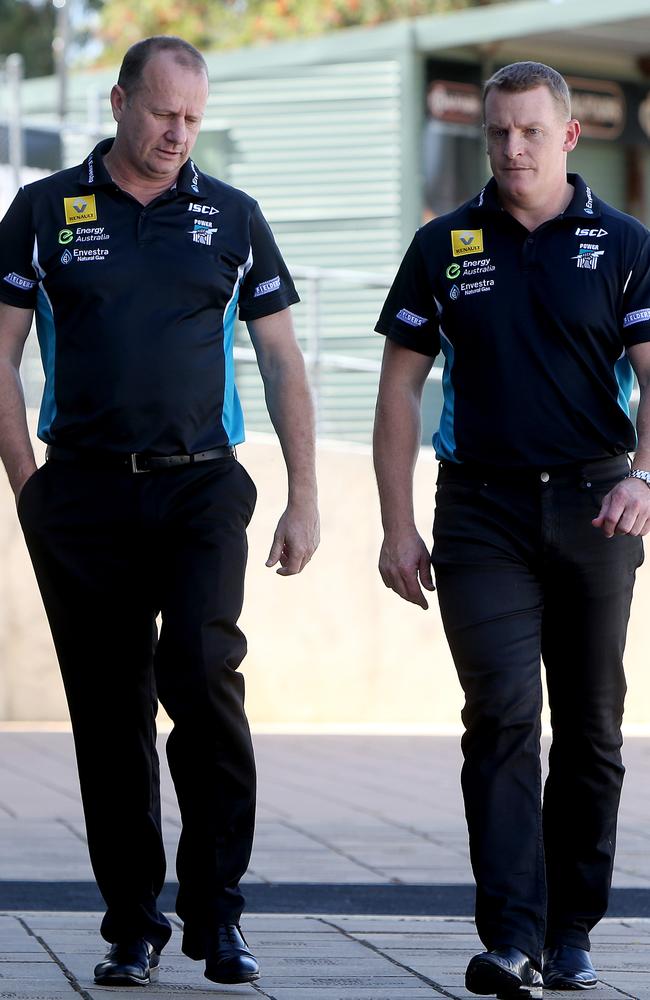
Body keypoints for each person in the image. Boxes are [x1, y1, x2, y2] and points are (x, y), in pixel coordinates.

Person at [0, 36, 319, 989]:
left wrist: (306, 496)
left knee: (203, 673)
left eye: (193, 117)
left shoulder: (232, 215)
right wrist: (30, 488)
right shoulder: (44, 212)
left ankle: (218, 915)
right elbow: (1, 352)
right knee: (109, 712)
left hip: (200, 485)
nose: (179, 133)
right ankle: (132, 923)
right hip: (83, 491)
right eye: (163, 112)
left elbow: (279, 360)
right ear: (119, 101)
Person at [373, 61, 650, 997]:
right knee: (499, 716)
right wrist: (397, 524)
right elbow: (401, 387)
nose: (511, 148)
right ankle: (510, 938)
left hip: (597, 509)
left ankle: (572, 929)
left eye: (530, 131)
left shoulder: (624, 244)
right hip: (479, 511)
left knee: (592, 728)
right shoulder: (445, 246)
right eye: (497, 133)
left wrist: (645, 478)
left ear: (569, 136)